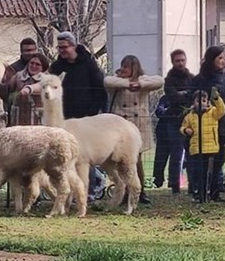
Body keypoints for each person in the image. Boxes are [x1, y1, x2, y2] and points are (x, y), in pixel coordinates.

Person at [49, 31, 108, 201]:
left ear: (73, 46)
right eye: (59, 47)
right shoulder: (57, 67)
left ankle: (90, 188)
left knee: (84, 155)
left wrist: (95, 111)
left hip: (87, 118)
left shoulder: (89, 64)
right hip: (65, 118)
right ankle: (69, 190)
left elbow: (99, 88)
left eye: (64, 47)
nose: (61, 50)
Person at [104, 55, 164, 204]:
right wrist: (127, 83)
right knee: (120, 160)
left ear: (134, 68)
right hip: (121, 126)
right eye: (122, 66)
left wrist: (139, 84)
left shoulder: (143, 81)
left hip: (138, 125)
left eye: (127, 67)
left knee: (137, 160)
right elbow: (107, 81)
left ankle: (140, 191)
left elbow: (159, 81)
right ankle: (123, 191)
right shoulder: (116, 82)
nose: (123, 69)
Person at [190, 46, 225, 201]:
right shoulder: (201, 79)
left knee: (219, 158)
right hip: (204, 125)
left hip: (223, 122)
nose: (224, 61)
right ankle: (200, 190)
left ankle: (215, 190)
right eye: (220, 58)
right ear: (212, 60)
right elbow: (194, 97)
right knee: (202, 160)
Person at [152, 49, 194, 195]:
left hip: (190, 121)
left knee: (191, 154)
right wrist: (185, 94)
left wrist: (182, 94)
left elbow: (193, 96)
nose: (181, 63)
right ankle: (174, 186)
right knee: (176, 154)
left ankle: (192, 185)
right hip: (173, 121)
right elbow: (174, 97)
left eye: (182, 60)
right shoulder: (169, 80)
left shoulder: (191, 78)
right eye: (178, 61)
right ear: (173, 62)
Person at [181, 88, 225, 203]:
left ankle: (213, 194)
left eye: (204, 100)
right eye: (198, 100)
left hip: (211, 148)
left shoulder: (213, 112)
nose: (201, 103)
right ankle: (199, 194)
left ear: (207, 102)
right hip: (196, 149)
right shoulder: (190, 116)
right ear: (194, 102)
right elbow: (183, 126)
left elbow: (222, 110)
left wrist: (217, 98)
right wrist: (186, 130)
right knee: (198, 173)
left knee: (212, 174)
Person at [0, 53, 50, 126]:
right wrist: (5, 81)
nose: (33, 66)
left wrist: (29, 89)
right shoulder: (19, 76)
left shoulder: (48, 79)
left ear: (43, 67)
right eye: (31, 63)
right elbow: (4, 94)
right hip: (18, 120)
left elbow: (42, 86)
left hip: (38, 122)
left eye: (37, 64)